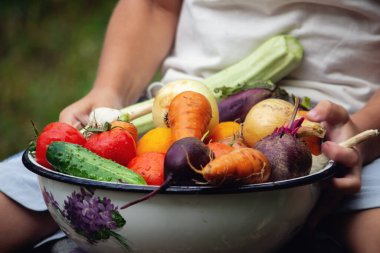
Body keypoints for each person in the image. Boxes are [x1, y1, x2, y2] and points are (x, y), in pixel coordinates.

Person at [1, 0, 379, 252]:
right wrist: (108, 91)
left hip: (338, 132)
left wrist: (362, 134)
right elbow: (154, 4)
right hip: (170, 112)